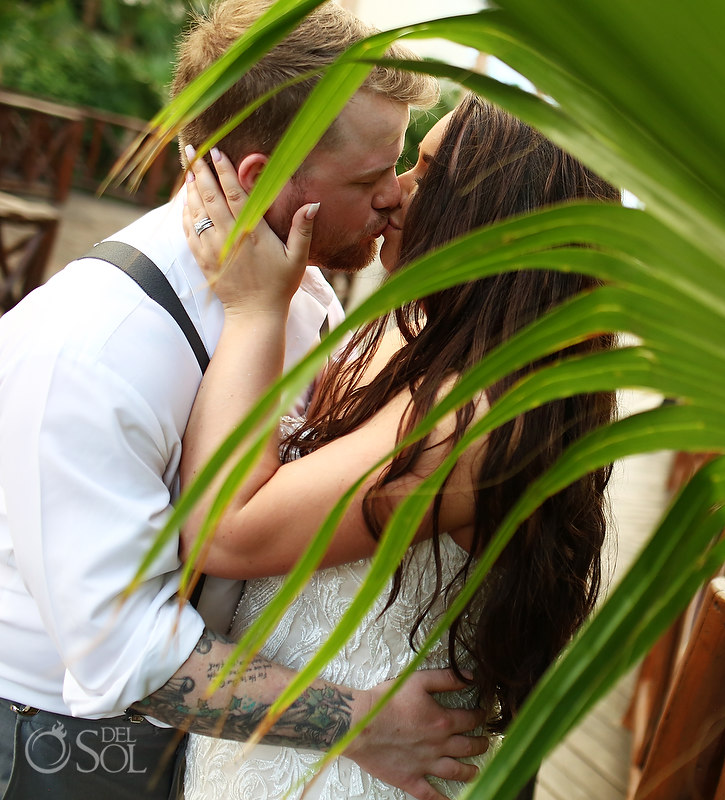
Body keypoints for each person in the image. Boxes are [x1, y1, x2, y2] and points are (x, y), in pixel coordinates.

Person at [0, 3, 489, 799]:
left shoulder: (303, 295)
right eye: (370, 180)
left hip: (212, 744)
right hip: (62, 748)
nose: (395, 199)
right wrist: (360, 722)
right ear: (261, 178)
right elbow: (127, 657)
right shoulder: (88, 350)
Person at [175, 93, 621, 799]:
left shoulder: (473, 418)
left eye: (426, 172)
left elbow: (226, 533)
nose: (396, 191)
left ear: (495, 221)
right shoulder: (417, 338)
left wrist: (252, 309)